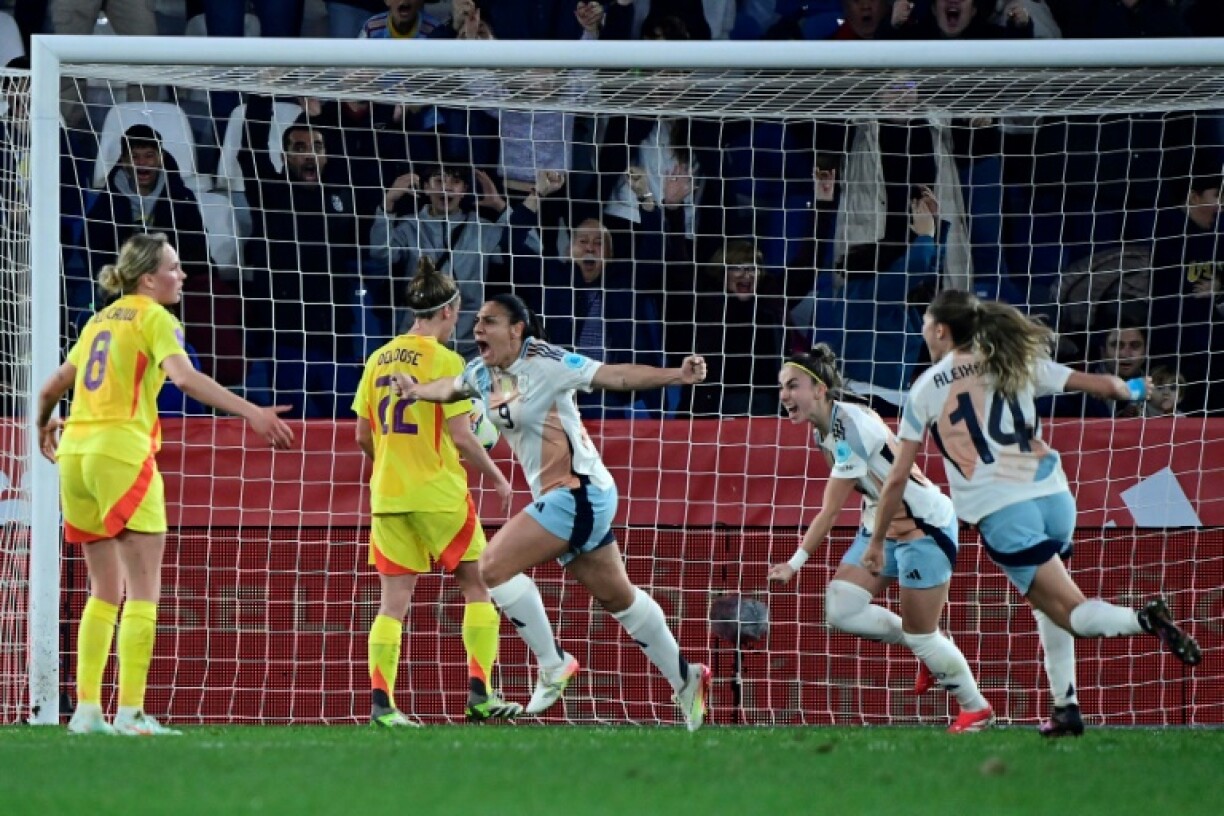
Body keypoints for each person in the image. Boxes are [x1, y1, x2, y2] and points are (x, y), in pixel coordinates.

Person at [865, 289, 1202, 737]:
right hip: (1055, 497)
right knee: (1046, 604)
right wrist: (1142, 389)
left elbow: (897, 477)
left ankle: (1142, 620)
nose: (923, 331)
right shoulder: (1013, 360)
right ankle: (1066, 707)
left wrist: (875, 540)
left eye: (926, 323)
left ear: (942, 330)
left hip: (1004, 510)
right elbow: (1110, 387)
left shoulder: (927, 387)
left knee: (1072, 613)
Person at [391, 294, 712, 730]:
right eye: (477, 321)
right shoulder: (482, 372)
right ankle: (686, 677)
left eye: (489, 322)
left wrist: (676, 374)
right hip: (571, 497)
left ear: (517, 329)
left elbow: (613, 376)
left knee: (489, 567)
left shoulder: (548, 360)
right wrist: (414, 390)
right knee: (619, 597)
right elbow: (450, 388)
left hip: (578, 492)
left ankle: (553, 663)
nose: (477, 329)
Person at [34, 233, 294, 736]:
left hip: (77, 455)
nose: (182, 275)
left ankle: (88, 711)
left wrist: (45, 422)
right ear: (148, 278)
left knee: (104, 588)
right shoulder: (157, 319)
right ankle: (130, 712)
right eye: (174, 268)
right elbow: (184, 379)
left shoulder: (99, 320)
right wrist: (251, 412)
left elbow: (50, 387)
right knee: (144, 589)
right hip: (122, 453)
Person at [767, 345, 993, 733]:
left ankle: (975, 709)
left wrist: (794, 564)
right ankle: (927, 647)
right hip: (884, 527)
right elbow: (872, 487)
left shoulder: (849, 430)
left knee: (923, 634)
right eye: (782, 387)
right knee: (842, 607)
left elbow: (830, 511)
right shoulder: (827, 429)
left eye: (793, 386)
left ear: (819, 389)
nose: (784, 395)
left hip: (925, 530)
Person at [352, 259, 521, 726]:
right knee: (478, 585)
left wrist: (392, 465)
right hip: (439, 493)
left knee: (393, 602)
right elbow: (465, 437)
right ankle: (481, 696)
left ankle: (382, 705)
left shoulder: (377, 359)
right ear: (449, 310)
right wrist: (498, 477)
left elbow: (363, 436)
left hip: (387, 495)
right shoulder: (448, 363)